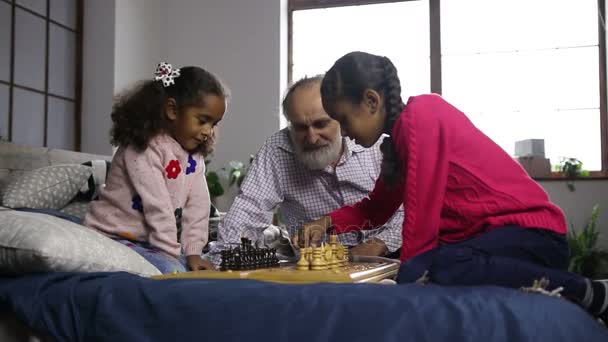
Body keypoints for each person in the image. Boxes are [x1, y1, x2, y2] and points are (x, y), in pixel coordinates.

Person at [297, 51, 608, 321]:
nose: (346, 134)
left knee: (437, 264)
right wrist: (326, 223)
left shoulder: (424, 115)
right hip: (493, 242)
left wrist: (408, 282)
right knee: (430, 262)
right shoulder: (398, 143)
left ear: (371, 101)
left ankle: (589, 291)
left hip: (533, 236)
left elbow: (422, 219)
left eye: (345, 120)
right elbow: (376, 208)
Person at [209, 75, 403, 266]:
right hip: (317, 267)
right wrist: (221, 261)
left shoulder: (377, 141)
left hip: (391, 256)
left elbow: (411, 205)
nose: (311, 138)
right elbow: (248, 210)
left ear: (340, 118)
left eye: (321, 124)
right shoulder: (277, 150)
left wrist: (379, 244)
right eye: (301, 127)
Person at [85, 62, 229, 274]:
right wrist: (172, 255)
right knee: (174, 271)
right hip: (113, 235)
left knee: (194, 268)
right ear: (172, 110)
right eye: (202, 121)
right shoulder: (144, 147)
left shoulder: (194, 157)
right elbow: (158, 206)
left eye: (213, 124)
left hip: (151, 243)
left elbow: (198, 206)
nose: (208, 131)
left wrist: (193, 252)